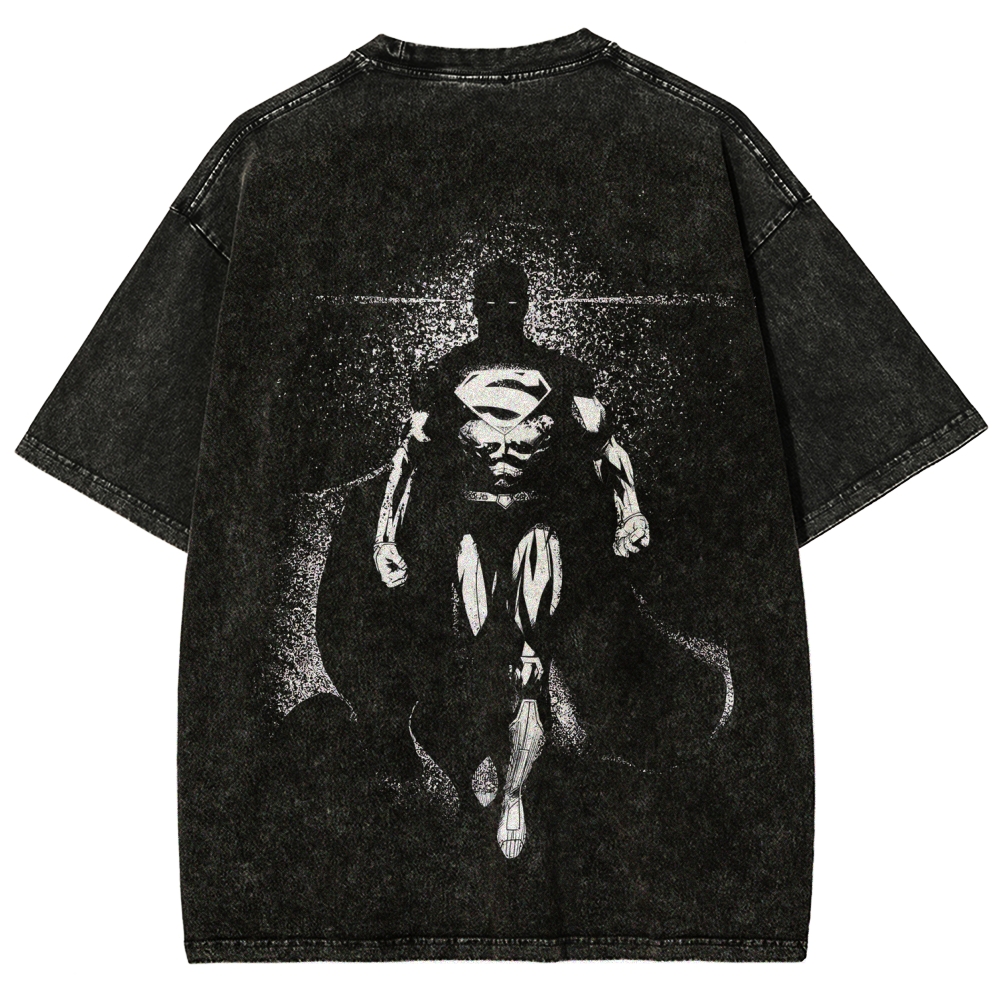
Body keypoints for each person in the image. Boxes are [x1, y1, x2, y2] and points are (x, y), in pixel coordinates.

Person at [373, 260, 650, 858]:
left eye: (509, 302)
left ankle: (516, 791)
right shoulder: (443, 378)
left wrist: (630, 511)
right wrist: (384, 537)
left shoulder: (564, 376)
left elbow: (608, 450)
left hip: (536, 527)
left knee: (529, 669)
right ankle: (482, 760)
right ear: (476, 307)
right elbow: (408, 462)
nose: (499, 312)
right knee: (477, 652)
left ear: (524, 306)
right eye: (489, 302)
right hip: (471, 528)